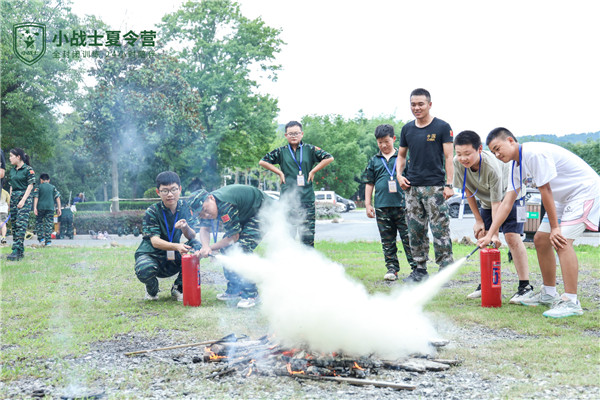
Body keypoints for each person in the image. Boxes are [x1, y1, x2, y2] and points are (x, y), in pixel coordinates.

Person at [478, 128, 600, 318]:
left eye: (497, 148)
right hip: (563, 198)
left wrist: (556, 228)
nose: (496, 154)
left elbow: (545, 191)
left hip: (584, 192)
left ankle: (571, 301)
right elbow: (507, 203)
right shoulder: (515, 166)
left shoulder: (533, 154)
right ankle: (549, 294)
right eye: (493, 152)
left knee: (562, 240)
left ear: (510, 140)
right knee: (541, 240)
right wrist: (490, 234)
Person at [453, 130, 533, 303]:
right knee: (483, 236)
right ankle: (486, 284)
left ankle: (525, 286)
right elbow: (468, 191)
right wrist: (478, 221)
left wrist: (495, 233)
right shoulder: (457, 163)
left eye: (468, 154)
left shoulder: (491, 167)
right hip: (487, 202)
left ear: (479, 149)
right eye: (459, 154)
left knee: (511, 237)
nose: (463, 158)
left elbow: (499, 203)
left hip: (511, 197)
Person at [395, 88, 454, 282]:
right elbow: (401, 155)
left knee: (440, 229)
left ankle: (445, 269)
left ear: (429, 104)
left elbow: (448, 157)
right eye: (413, 104)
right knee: (415, 230)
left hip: (435, 188)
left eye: (420, 104)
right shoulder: (407, 129)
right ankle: (419, 269)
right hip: (412, 188)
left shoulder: (442, 127)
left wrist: (449, 184)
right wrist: (399, 175)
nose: (416, 108)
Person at [189, 184, 273, 309]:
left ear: (211, 198)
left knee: (241, 249)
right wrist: (205, 246)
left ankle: (251, 295)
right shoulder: (208, 207)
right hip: (247, 213)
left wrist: (211, 248)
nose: (205, 215)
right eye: (201, 215)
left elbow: (234, 238)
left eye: (206, 211)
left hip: (263, 211)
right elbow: (204, 229)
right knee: (227, 247)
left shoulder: (225, 205)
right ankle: (235, 290)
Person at [259, 121, 333, 247]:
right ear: (286, 135)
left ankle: (308, 264)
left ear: (302, 134)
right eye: (290, 133)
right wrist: (280, 173)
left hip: (306, 199)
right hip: (288, 200)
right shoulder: (281, 152)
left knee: (307, 238)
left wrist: (313, 170)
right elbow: (263, 161)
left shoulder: (309, 149)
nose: (294, 136)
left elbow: (329, 158)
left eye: (296, 133)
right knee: (288, 237)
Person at [134, 171, 198, 301]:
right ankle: (152, 289)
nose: (170, 194)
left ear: (180, 189)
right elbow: (155, 242)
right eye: (165, 191)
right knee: (144, 268)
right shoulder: (152, 211)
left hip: (173, 257)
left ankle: (178, 288)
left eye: (173, 189)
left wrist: (185, 227)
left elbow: (192, 236)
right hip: (153, 256)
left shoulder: (185, 208)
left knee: (197, 246)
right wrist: (177, 246)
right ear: (158, 192)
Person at [364, 124, 416, 281]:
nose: (384, 145)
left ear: (393, 139)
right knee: (387, 240)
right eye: (380, 142)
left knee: (409, 239)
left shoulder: (402, 158)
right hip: (382, 206)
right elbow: (369, 183)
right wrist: (368, 204)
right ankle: (392, 269)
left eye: (386, 141)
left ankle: (416, 269)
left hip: (403, 206)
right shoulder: (374, 160)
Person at [6, 148, 35, 261]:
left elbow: (30, 185)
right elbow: (11, 186)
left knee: (20, 224)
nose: (9, 158)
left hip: (24, 198)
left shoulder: (28, 169)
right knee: (14, 224)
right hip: (14, 199)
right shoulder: (12, 171)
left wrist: (23, 200)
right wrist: (10, 201)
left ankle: (16, 250)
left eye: (11, 156)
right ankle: (19, 251)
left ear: (18, 157)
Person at [33, 173, 62, 247]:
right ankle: (48, 242)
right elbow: (58, 198)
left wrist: (35, 208)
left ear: (41, 180)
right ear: (48, 180)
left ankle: (41, 239)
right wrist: (59, 208)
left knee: (39, 223)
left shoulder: (38, 187)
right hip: (50, 208)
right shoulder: (53, 187)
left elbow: (36, 197)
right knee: (48, 224)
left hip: (40, 208)